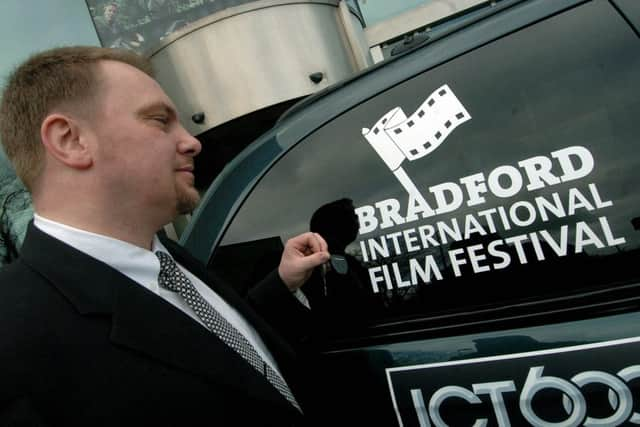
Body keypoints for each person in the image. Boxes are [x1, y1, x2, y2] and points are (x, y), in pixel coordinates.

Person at [0, 46, 330, 426]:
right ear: (70, 140)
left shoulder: (170, 262)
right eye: (159, 120)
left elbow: (222, 358)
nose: (192, 141)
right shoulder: (12, 341)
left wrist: (281, 286)